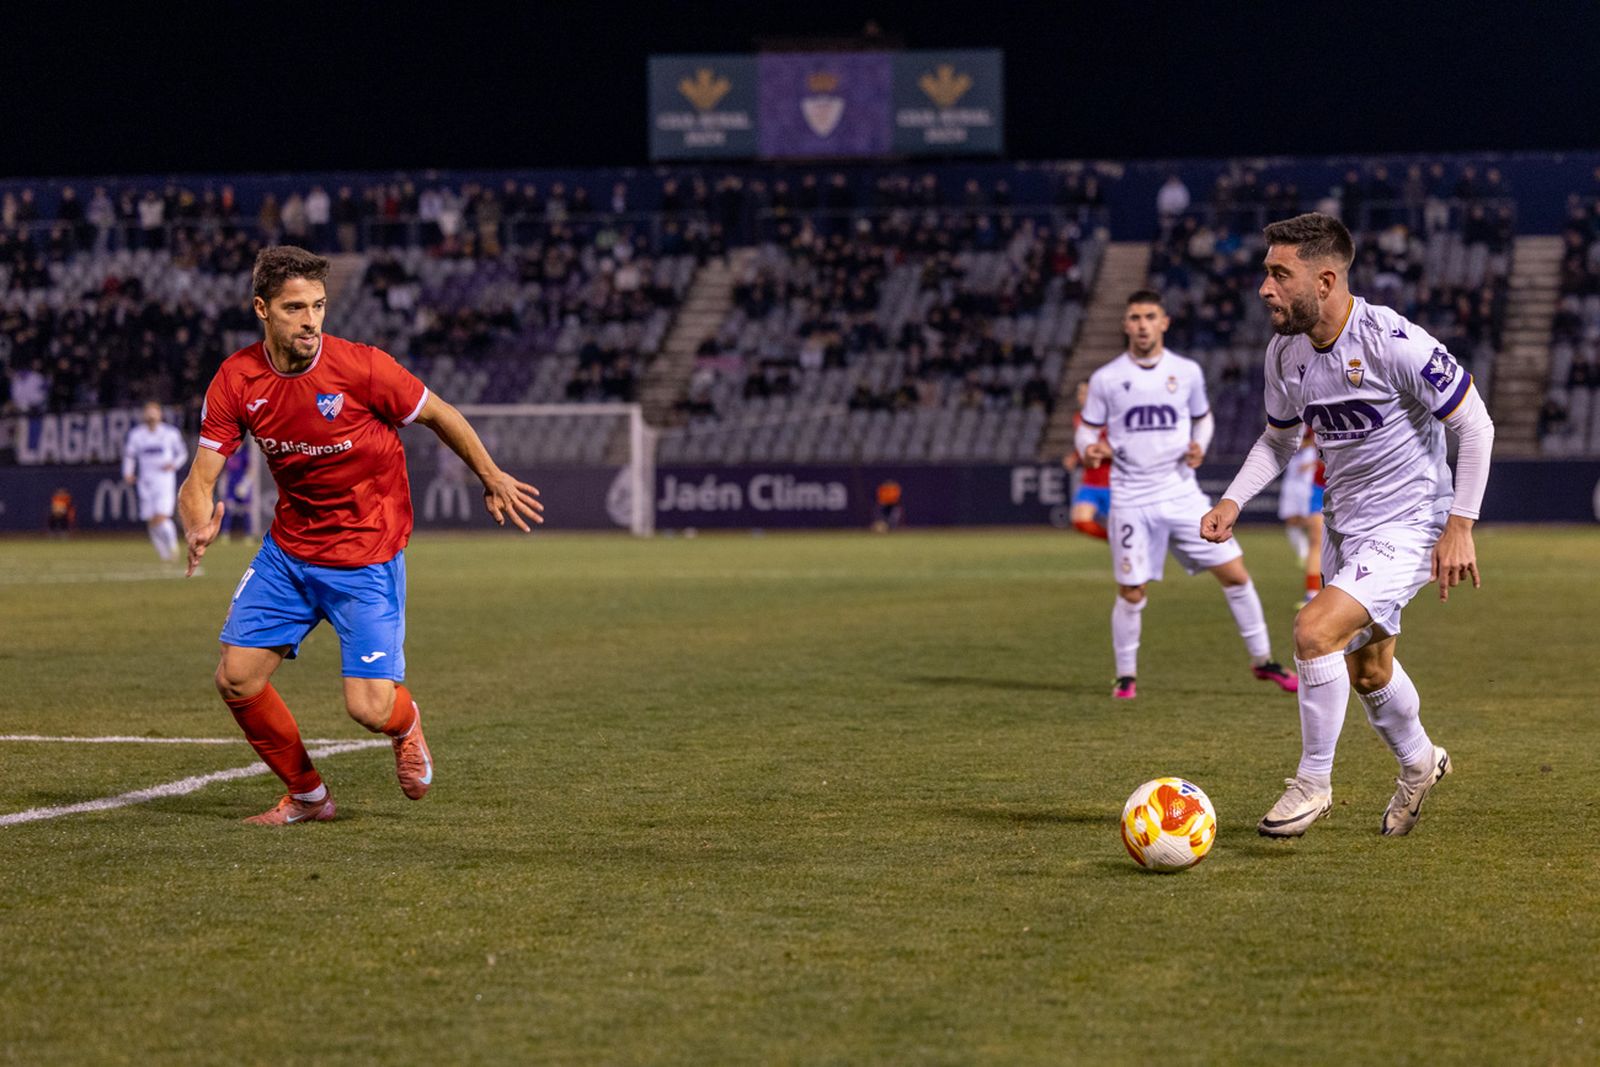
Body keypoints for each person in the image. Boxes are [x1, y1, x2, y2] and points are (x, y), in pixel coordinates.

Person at [177, 246, 544, 826]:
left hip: (366, 556)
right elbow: (200, 478)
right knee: (237, 677)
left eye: (318, 306)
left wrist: (491, 476)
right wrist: (196, 522)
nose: (310, 320)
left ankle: (405, 722)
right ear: (261, 309)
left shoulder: (363, 367)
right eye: (295, 307)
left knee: (369, 709)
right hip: (290, 553)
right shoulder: (236, 378)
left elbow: (440, 413)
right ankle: (307, 797)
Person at [1200, 213, 1493, 838]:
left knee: (1313, 630)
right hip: (1346, 527)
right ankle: (1420, 764)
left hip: (1412, 521)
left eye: (1281, 274)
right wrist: (1231, 501)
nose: (1265, 288)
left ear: (1326, 280)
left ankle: (1312, 784)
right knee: (1369, 670)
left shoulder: (1393, 341)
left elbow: (1475, 423)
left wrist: (1460, 524)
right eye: (1266, 273)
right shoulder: (1285, 351)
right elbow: (1279, 441)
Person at [1078, 290, 1298, 701]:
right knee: (1132, 590)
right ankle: (1125, 676)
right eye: (1135, 317)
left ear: (1164, 322)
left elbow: (1202, 419)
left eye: (1150, 316)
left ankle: (1263, 660)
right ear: (1125, 325)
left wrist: (1200, 444)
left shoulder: (1187, 372)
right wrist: (1088, 446)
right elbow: (1088, 428)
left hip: (1181, 492)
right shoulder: (1107, 378)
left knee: (1235, 573)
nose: (1142, 324)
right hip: (1131, 497)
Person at [123, 401, 189, 562]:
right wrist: (128, 472)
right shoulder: (137, 435)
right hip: (145, 480)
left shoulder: (170, 433)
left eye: (154, 412)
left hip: (164, 480)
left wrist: (173, 464)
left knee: (162, 517)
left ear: (160, 414)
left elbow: (182, 453)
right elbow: (130, 455)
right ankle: (164, 554)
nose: (151, 415)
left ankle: (173, 546)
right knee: (150, 520)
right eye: (148, 412)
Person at [1276, 428, 1326, 606]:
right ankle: (1313, 593)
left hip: (1339, 487)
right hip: (1321, 487)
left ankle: (1322, 593)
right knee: (1317, 542)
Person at [1062, 379, 1110, 539]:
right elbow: (1085, 442)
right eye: (1080, 393)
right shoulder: (1078, 418)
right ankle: (1114, 540)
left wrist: (1108, 451)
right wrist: (1075, 456)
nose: (1081, 397)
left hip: (1114, 482)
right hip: (1090, 481)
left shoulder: (1112, 416)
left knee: (1125, 526)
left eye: (1086, 393)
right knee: (1079, 520)